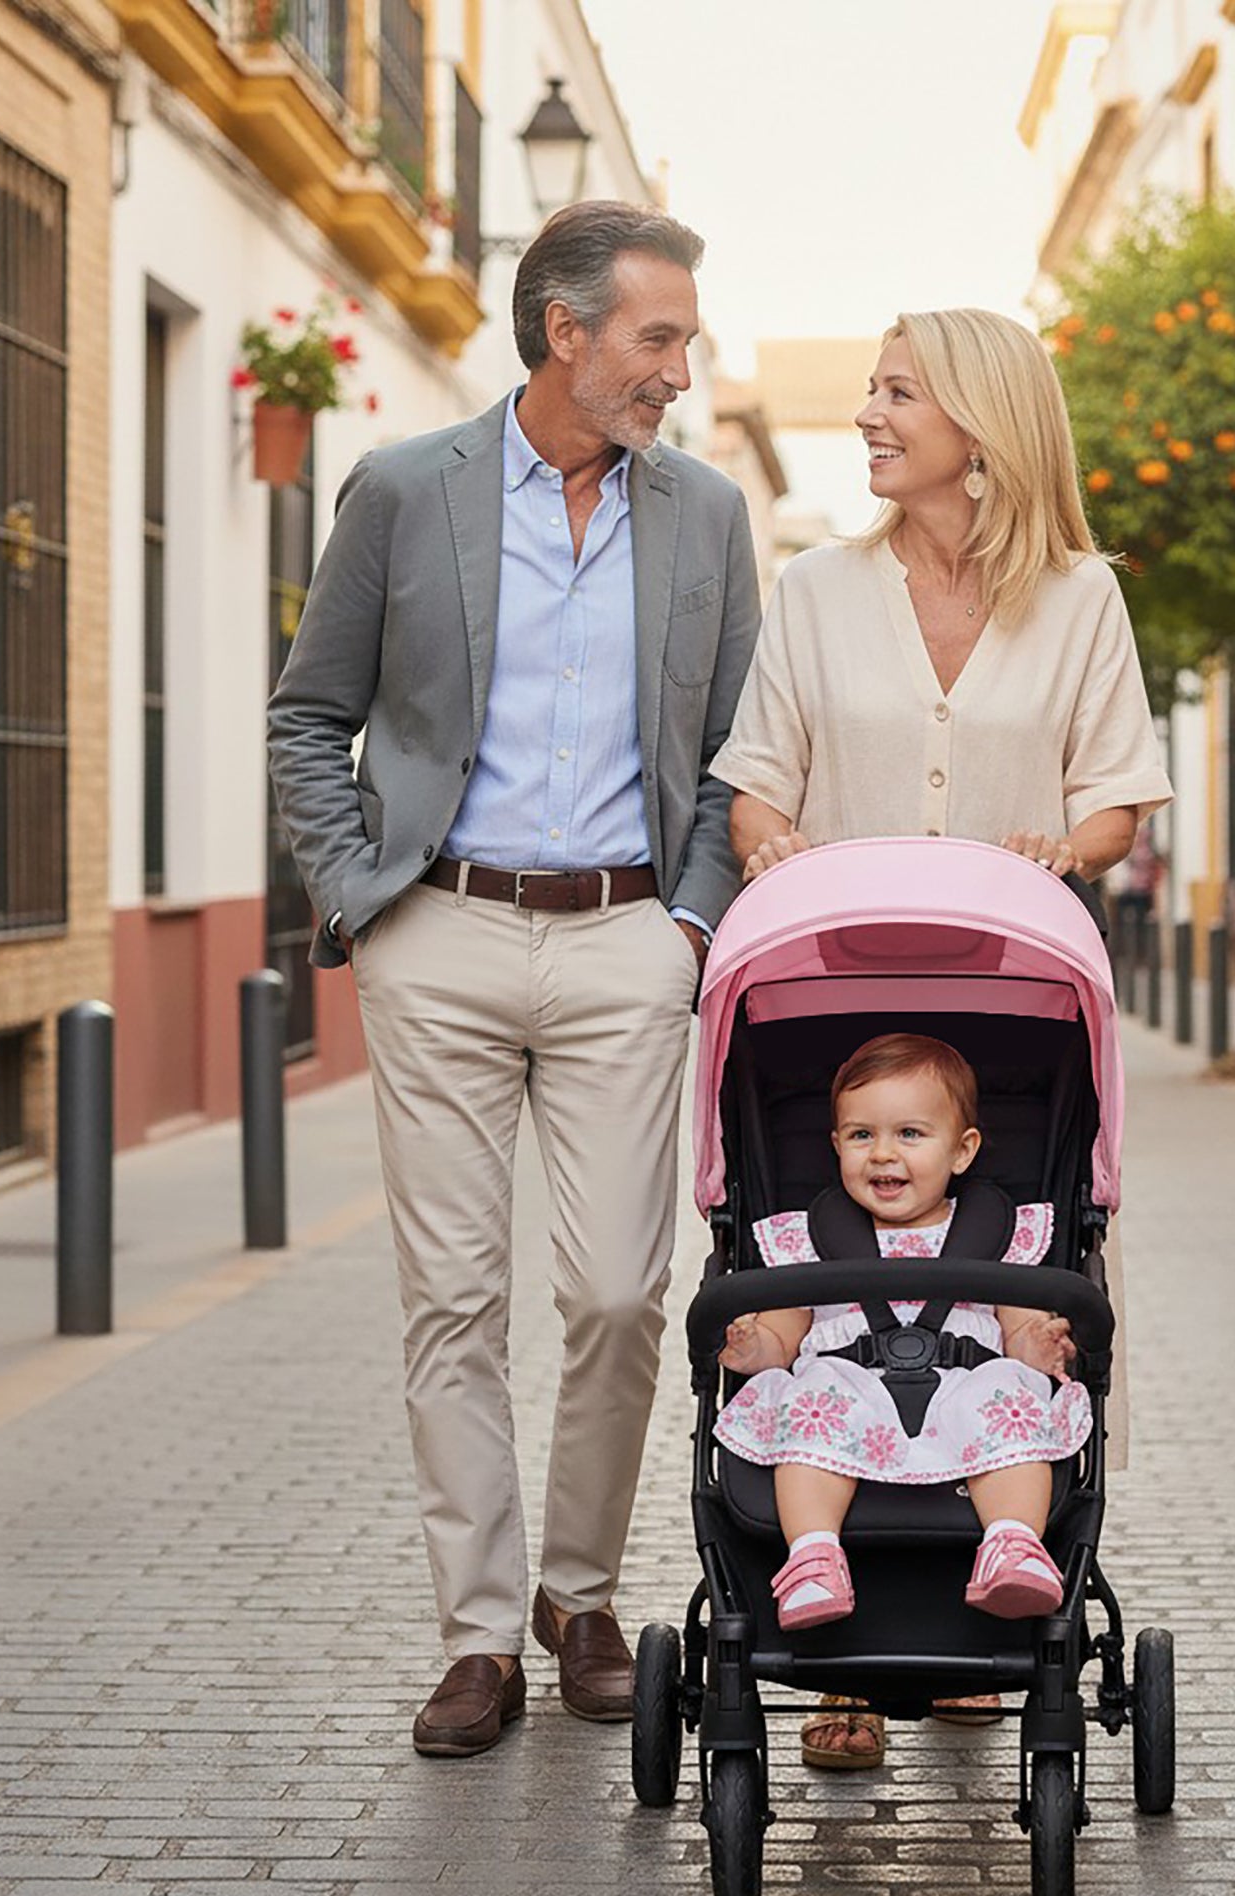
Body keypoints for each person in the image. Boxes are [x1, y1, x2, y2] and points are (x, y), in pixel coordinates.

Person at [266, 201, 759, 1757]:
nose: (680, 370)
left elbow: (736, 748)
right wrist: (363, 900)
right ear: (566, 332)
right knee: (453, 1302)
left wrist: (690, 924)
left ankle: (580, 1594)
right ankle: (479, 1637)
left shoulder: (706, 514)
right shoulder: (406, 490)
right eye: (658, 338)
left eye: (685, 340)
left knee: (617, 1291)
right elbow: (311, 714)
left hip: (628, 939)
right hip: (443, 932)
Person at [707, 306, 1169, 1769]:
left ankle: (986, 1614)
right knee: (826, 1309)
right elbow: (756, 783)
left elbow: (1117, 793)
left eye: (898, 391)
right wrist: (769, 842)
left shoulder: (1080, 599)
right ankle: (838, 1661)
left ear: (981, 421)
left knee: (1017, 1314)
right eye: (871, 389)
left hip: (1012, 997)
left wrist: (1070, 847)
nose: (870, 413)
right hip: (831, 993)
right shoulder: (815, 589)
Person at [714, 1035, 1092, 1631]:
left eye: (910, 1134)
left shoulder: (998, 1234)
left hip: (965, 1395)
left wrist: (1038, 1346)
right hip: (849, 1396)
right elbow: (781, 1340)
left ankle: (1013, 1544)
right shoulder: (808, 1239)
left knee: (1010, 1394)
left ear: (962, 1151)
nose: (883, 1154)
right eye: (861, 1135)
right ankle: (813, 1557)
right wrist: (751, 1345)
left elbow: (1020, 1331)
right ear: (836, 1144)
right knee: (812, 1399)